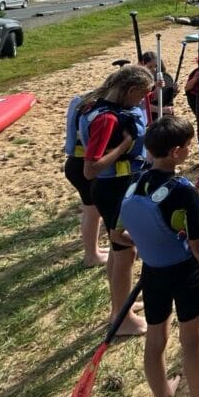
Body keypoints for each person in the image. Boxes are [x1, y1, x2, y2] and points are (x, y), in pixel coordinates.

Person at [119, 116, 199, 397]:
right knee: (191, 339)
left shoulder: (134, 182)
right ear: (176, 152)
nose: (191, 149)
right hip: (183, 272)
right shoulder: (183, 191)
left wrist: (146, 242)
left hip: (152, 273)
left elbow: (118, 232)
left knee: (156, 340)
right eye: (189, 145)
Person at [80, 64, 154, 337]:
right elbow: (90, 168)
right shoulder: (107, 119)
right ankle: (121, 318)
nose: (141, 102)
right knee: (126, 252)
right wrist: (123, 147)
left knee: (117, 248)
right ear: (131, 90)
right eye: (141, 96)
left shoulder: (100, 105)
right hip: (113, 189)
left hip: (120, 187)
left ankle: (122, 306)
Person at [63, 91, 107, 267]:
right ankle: (91, 255)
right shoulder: (97, 111)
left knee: (91, 211)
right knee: (92, 212)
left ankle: (93, 250)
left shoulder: (81, 101)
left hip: (74, 163)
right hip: (81, 166)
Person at [141, 50, 177, 118]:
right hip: (151, 117)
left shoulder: (164, 77)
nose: (154, 69)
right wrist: (162, 110)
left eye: (156, 66)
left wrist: (174, 91)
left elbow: (167, 97)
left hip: (167, 115)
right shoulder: (142, 83)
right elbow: (142, 103)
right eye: (150, 67)